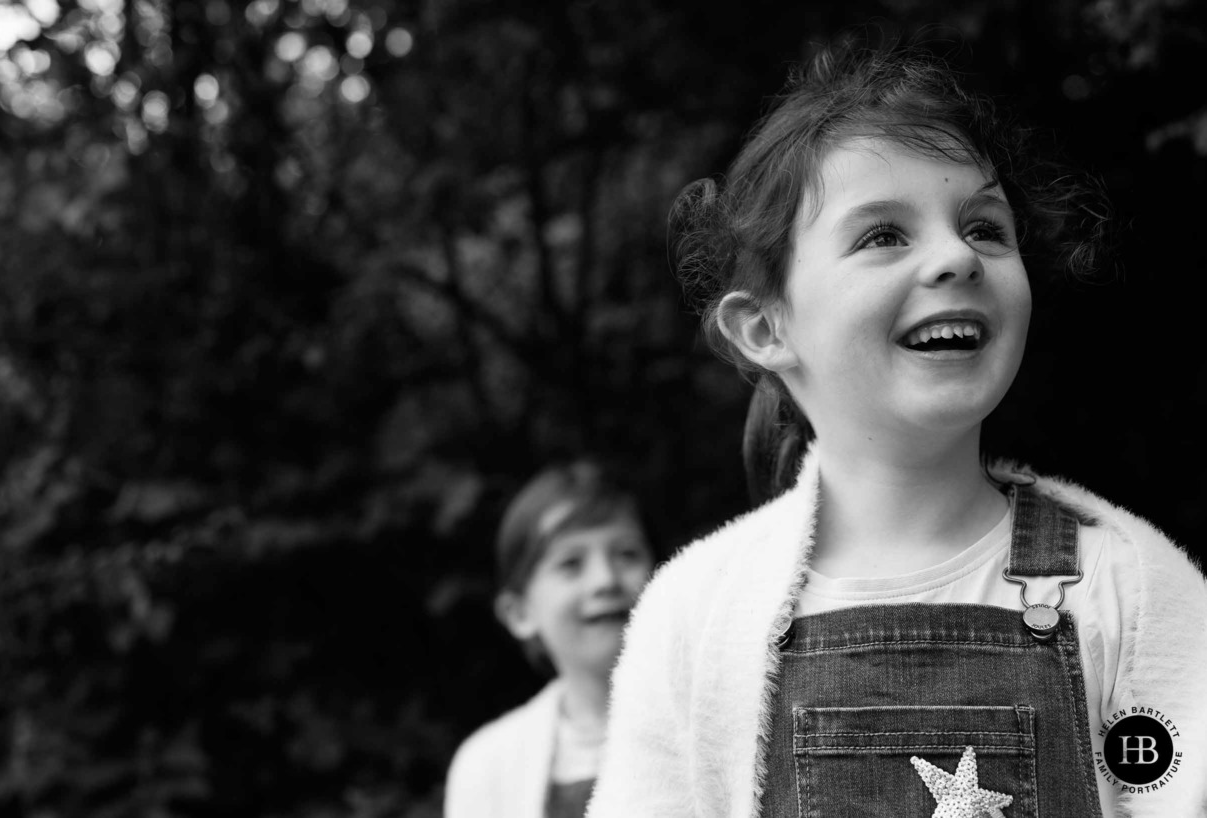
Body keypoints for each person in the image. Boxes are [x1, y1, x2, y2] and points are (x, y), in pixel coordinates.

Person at [586, 40, 1207, 818]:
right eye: (884, 235)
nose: (957, 256)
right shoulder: (693, 617)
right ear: (764, 329)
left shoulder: (1134, 589)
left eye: (986, 227)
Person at [443, 461, 656, 818]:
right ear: (519, 613)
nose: (605, 580)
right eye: (571, 563)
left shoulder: (721, 725)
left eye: (627, 554)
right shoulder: (486, 766)